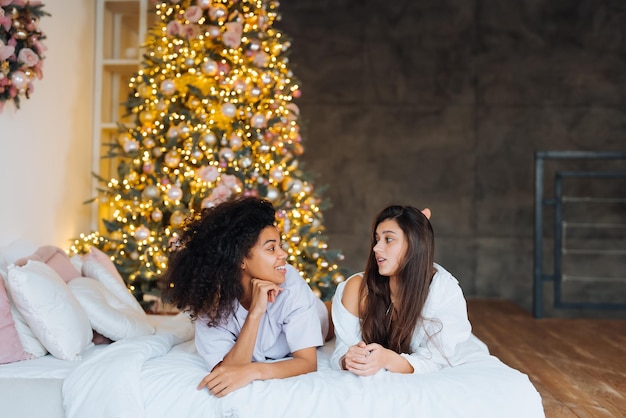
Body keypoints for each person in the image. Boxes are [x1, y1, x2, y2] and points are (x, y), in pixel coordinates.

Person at [161, 197, 328, 397]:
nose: (283, 255)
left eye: (280, 245)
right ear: (240, 260)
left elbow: (308, 363)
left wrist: (254, 371)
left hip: (319, 317)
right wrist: (256, 312)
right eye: (271, 248)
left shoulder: (289, 281)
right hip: (268, 330)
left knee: (333, 315)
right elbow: (227, 371)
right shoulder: (213, 302)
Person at [331, 204, 481, 375]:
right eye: (377, 239)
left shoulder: (444, 291)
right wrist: (348, 358)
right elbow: (343, 348)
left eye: (388, 239)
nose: (376, 248)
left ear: (415, 244)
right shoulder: (357, 288)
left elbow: (435, 360)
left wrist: (387, 359)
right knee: (322, 320)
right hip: (327, 314)